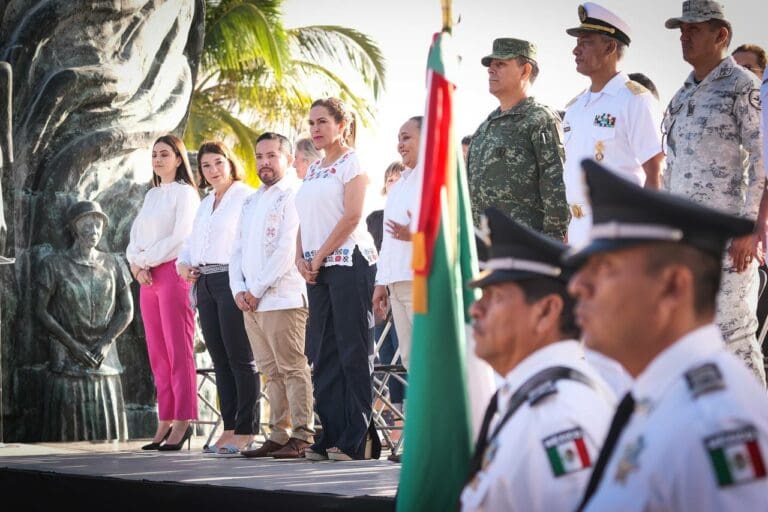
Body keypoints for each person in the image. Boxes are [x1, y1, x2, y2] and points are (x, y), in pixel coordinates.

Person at [568, 159, 768, 511]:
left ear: (674, 286)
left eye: (605, 269)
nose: (578, 285)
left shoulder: (715, 421)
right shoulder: (657, 395)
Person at [459, 208, 615, 511]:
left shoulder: (558, 417)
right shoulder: (528, 399)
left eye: (495, 297)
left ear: (546, 312)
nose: (476, 310)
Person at [661, 0, 766, 385]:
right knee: (693, 343)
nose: (685, 37)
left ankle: (759, 433)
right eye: (681, 30)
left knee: (735, 341)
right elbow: (670, 169)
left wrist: (749, 228)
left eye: (694, 29)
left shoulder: (744, 88)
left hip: (729, 242)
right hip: (686, 244)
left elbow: (762, 163)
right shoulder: (682, 95)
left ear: (721, 35)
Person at [295, 97, 380, 461]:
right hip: (318, 269)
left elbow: (351, 217)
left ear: (342, 125)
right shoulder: (314, 169)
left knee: (352, 350)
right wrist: (301, 258)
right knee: (323, 353)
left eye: (323, 122)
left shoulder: (353, 162)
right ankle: (328, 434)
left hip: (349, 263)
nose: (315, 129)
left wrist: (320, 255)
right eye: (312, 123)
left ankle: (357, 438)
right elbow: (304, 218)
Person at [230, 132, 316, 459]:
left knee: (293, 368)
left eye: (271, 156)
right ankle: (278, 434)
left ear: (288, 159)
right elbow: (236, 249)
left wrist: (255, 289)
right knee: (270, 371)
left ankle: (303, 435)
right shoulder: (251, 200)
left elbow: (285, 250)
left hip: (283, 298)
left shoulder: (294, 194)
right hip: (251, 302)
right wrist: (238, 289)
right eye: (260, 156)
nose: (264, 163)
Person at [177, 141, 259, 454]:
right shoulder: (205, 201)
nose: (213, 171)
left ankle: (247, 429)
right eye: (207, 166)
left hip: (231, 278)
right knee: (219, 359)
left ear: (230, 162)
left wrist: (245, 284)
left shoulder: (245, 196)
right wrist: (183, 263)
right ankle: (230, 427)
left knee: (241, 358)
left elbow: (248, 242)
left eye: (218, 163)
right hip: (205, 282)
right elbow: (190, 242)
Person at [563, 2, 664, 247]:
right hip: (578, 229)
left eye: (585, 42)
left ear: (610, 46)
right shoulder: (574, 108)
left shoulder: (635, 99)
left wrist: (647, 233)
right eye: (577, 43)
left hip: (618, 229)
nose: (576, 50)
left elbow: (653, 169)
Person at [126, 134, 200, 451]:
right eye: (154, 154)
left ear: (179, 159)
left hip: (172, 274)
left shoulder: (185, 195)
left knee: (177, 351)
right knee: (157, 353)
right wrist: (136, 265)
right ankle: (165, 418)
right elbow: (134, 237)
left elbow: (180, 238)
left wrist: (144, 261)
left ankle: (183, 420)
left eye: (165, 154)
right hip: (147, 278)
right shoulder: (152, 196)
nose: (158, 159)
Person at [36, 201, 133, 441]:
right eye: (87, 224)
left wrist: (105, 343)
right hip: (67, 365)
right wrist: (73, 346)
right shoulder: (53, 264)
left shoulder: (114, 263)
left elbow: (127, 310)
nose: (94, 230)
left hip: (105, 362)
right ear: (73, 229)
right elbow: (40, 311)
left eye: (98, 224)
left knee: (108, 436)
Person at [467, 38, 569, 241]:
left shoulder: (540, 119)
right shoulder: (485, 127)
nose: (490, 70)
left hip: (524, 247)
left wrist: (552, 245)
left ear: (525, 71)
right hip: (482, 250)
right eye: (490, 65)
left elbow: (556, 186)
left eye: (500, 64)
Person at [366, 160, 406, 424]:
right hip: (382, 286)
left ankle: (409, 417)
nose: (393, 184)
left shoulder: (410, 212)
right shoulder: (374, 218)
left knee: (405, 354)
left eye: (398, 178)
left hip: (404, 285)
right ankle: (396, 416)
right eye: (389, 179)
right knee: (385, 354)